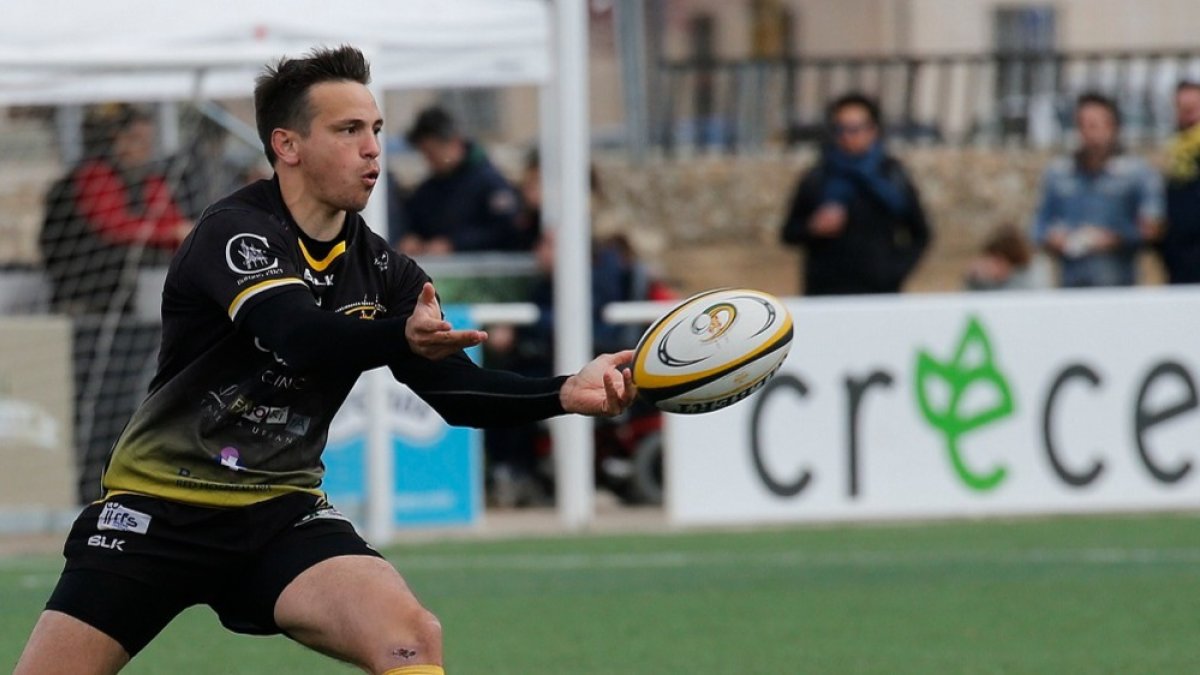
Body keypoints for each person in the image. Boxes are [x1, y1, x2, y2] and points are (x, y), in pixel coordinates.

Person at [15, 45, 636, 675]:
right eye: (348, 131)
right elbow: (297, 335)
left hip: (279, 511)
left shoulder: (392, 274)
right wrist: (400, 338)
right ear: (287, 145)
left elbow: (455, 395)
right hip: (159, 508)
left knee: (411, 636)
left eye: (376, 131)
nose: (372, 149)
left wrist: (564, 392)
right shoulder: (234, 232)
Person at [40, 103, 192, 314]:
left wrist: (182, 232)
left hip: (133, 285)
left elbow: (172, 219)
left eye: (149, 142)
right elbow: (113, 226)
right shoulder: (95, 174)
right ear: (118, 141)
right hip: (89, 284)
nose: (146, 149)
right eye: (137, 140)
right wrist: (168, 233)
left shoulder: (149, 179)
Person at [780, 92, 932, 295]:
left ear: (872, 130)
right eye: (840, 129)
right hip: (825, 291)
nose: (847, 137)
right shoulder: (819, 177)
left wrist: (895, 271)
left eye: (855, 129)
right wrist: (813, 228)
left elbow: (920, 232)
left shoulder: (891, 177)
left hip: (878, 292)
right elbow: (789, 232)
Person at [1031, 92, 1163, 288]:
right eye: (1083, 125)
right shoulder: (1060, 173)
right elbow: (1038, 226)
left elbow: (1152, 226)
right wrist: (1055, 238)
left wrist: (1115, 238)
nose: (1090, 134)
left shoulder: (1135, 173)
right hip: (1071, 278)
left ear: (1113, 127)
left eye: (1096, 125)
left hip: (1118, 279)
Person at [396, 106, 522, 255]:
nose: (428, 160)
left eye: (432, 152)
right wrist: (413, 239)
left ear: (454, 142)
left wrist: (455, 244)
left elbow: (505, 230)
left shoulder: (489, 182)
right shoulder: (429, 188)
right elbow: (415, 220)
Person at [1159, 80, 1200, 283]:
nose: (1189, 115)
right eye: (1183, 108)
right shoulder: (1174, 154)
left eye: (1194, 108)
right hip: (1181, 267)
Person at [964, 223, 1050, 291]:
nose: (989, 266)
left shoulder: (1029, 281)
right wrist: (974, 280)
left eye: (996, 261)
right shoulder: (989, 283)